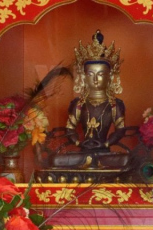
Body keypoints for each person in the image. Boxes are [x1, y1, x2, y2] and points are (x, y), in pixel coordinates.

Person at [49, 31, 130, 169]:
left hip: (104, 152)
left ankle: (93, 160)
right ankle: (90, 160)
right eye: (91, 74)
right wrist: (78, 143)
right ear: (84, 77)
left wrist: (105, 144)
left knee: (125, 159)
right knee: (56, 160)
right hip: (82, 152)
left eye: (101, 74)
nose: (95, 79)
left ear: (110, 77)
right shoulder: (79, 104)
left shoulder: (114, 104)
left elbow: (120, 130)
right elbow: (70, 129)